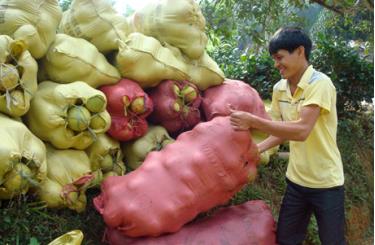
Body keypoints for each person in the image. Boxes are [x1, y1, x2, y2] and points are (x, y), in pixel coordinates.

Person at [230, 27, 345, 245]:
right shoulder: (279, 89)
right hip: (296, 182)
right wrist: (257, 150)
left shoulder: (319, 84)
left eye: (280, 57)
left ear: (300, 51)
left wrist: (253, 121)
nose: (276, 64)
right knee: (286, 240)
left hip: (326, 184)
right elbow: (280, 130)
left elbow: (301, 130)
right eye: (274, 58)